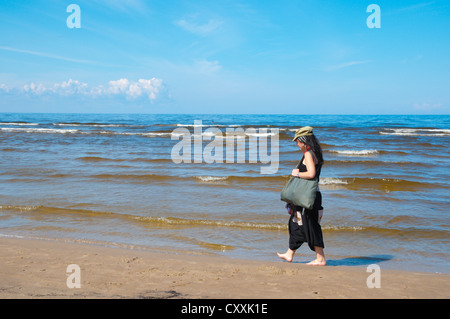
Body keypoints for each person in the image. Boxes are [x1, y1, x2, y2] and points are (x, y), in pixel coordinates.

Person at [277, 126, 326, 266]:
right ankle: (289, 253)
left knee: (311, 226)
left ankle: (320, 258)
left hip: (307, 198)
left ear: (303, 141)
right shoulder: (316, 153)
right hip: (308, 197)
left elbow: (310, 174)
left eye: (297, 141)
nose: (297, 144)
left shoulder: (309, 154)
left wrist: (296, 173)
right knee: (295, 223)